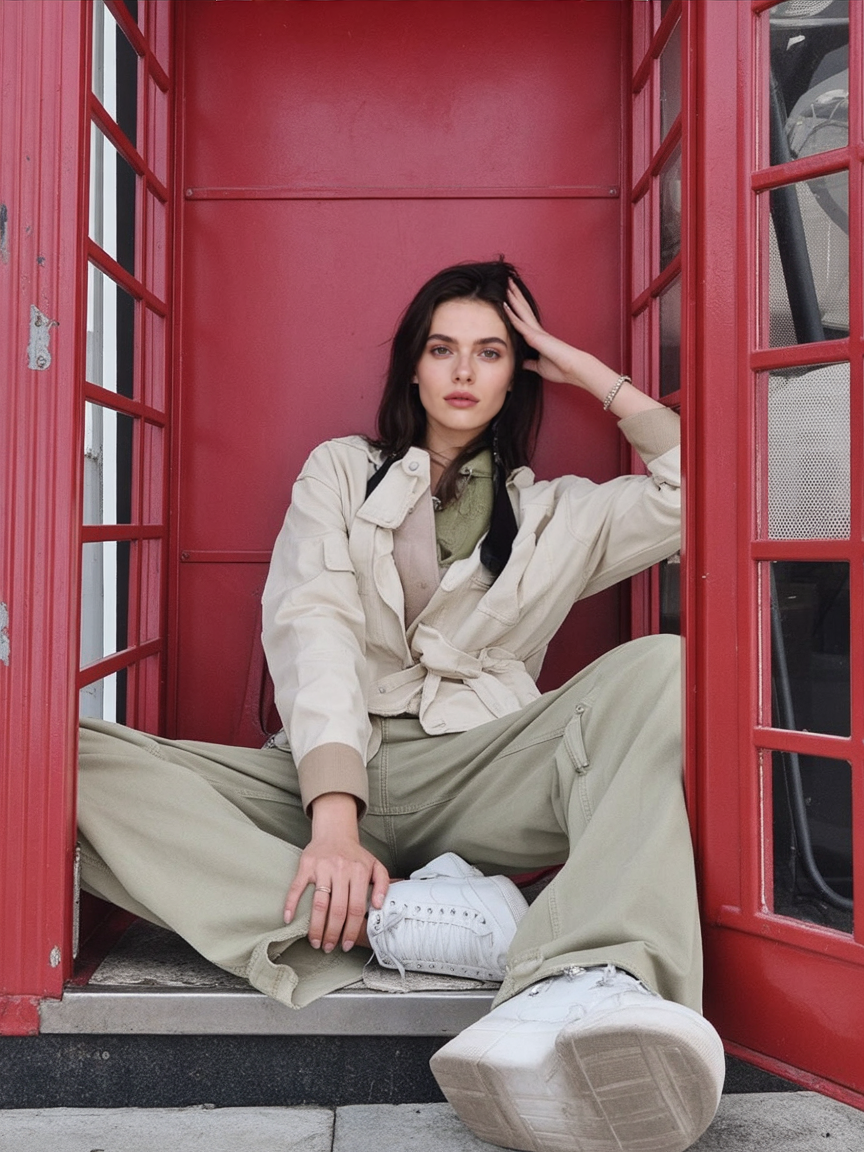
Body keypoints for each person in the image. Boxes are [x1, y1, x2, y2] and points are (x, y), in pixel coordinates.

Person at [78, 260, 724, 1152]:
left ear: (516, 373)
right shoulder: (341, 472)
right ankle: (410, 925)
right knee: (56, 759)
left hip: (481, 771)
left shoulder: (555, 515)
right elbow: (315, 628)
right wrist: (334, 823)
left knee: (661, 666)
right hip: (323, 776)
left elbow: (705, 493)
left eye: (492, 352)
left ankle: (593, 969)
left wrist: (584, 371)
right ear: (412, 369)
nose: (464, 372)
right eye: (443, 349)